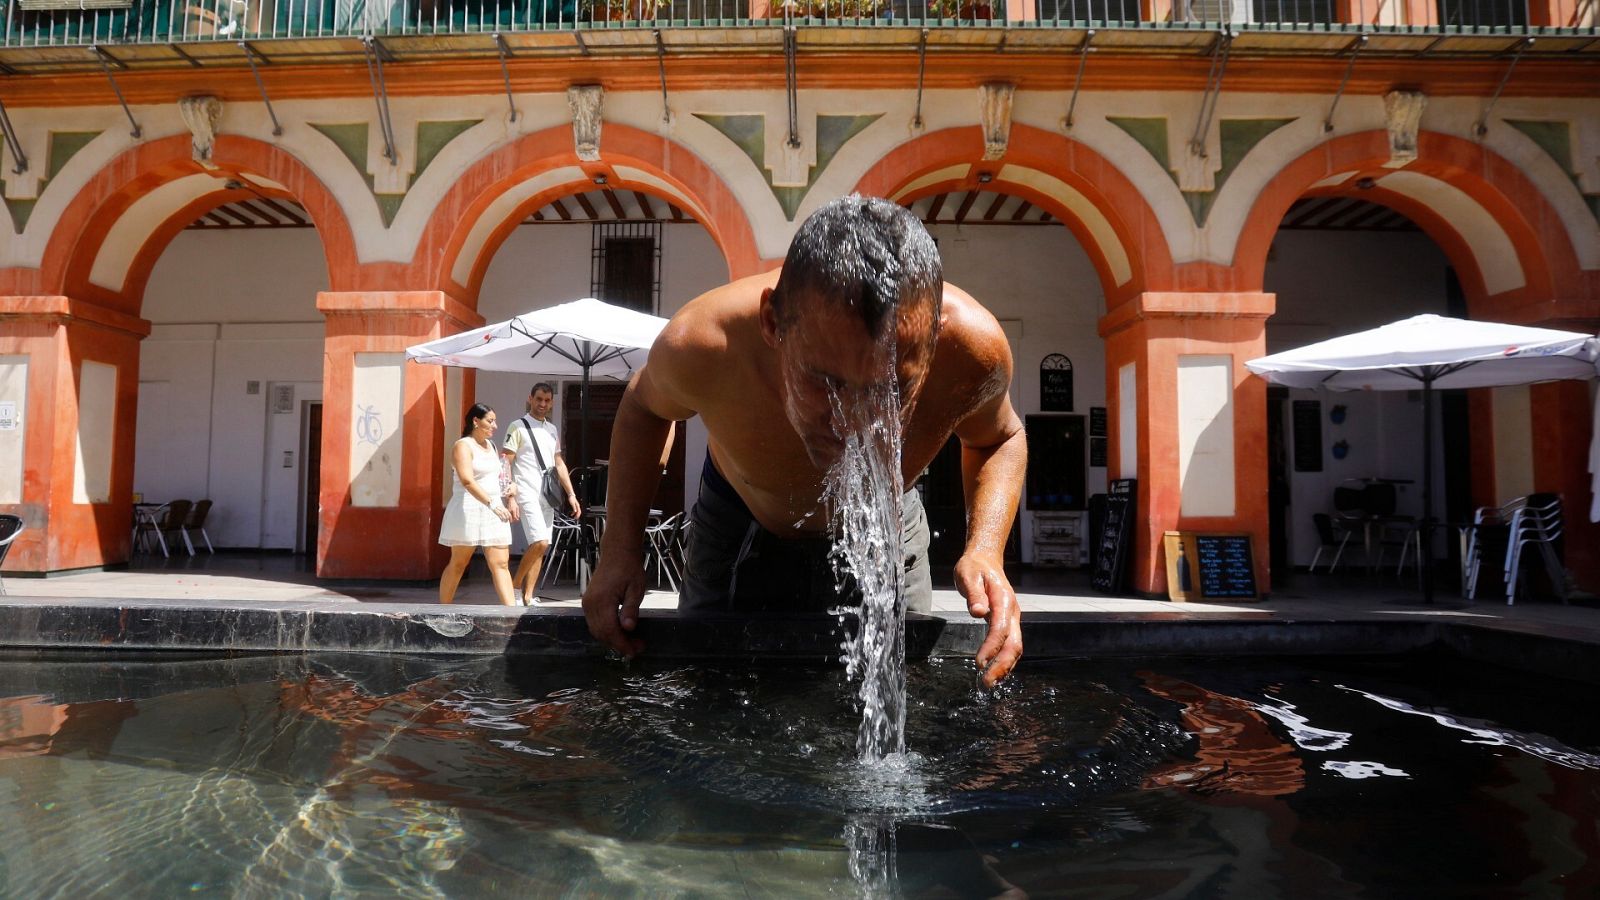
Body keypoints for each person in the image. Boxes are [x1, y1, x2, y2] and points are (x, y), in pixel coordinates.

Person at [582, 195, 1025, 686]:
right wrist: (619, 549)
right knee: (711, 696)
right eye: (826, 383)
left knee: (911, 689)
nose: (854, 424)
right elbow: (644, 408)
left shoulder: (974, 351)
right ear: (773, 324)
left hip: (889, 522)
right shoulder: (705, 343)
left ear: (936, 338)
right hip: (739, 524)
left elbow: (999, 437)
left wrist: (986, 549)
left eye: (889, 390)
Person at [502, 382, 581, 605]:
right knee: (540, 542)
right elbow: (505, 461)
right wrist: (510, 496)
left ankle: (528, 597)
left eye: (547, 400)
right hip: (525, 491)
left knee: (540, 547)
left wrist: (571, 494)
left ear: (552, 402)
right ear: (530, 399)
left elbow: (559, 463)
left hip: (547, 494)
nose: (542, 404)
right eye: (538, 399)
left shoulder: (552, 430)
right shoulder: (517, 426)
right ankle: (514, 586)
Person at [438, 402, 518, 606]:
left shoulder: (491, 446)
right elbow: (467, 480)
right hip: (469, 508)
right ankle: (442, 610)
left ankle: (512, 614)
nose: (495, 426)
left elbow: (497, 476)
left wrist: (510, 488)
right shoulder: (462, 446)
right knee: (459, 563)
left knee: (501, 563)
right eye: (490, 421)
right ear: (476, 421)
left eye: (495, 421)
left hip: (494, 509)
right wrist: (492, 503)